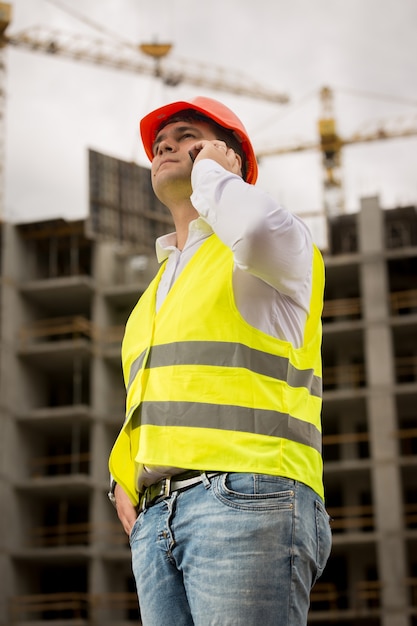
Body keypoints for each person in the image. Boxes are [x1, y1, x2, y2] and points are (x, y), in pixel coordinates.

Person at [108, 96, 332, 626]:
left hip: (246, 496)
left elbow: (251, 229)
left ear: (229, 159)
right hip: (158, 518)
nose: (165, 146)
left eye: (187, 136)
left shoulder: (274, 248)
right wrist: (121, 474)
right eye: (161, 143)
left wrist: (216, 176)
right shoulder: (154, 292)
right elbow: (158, 396)